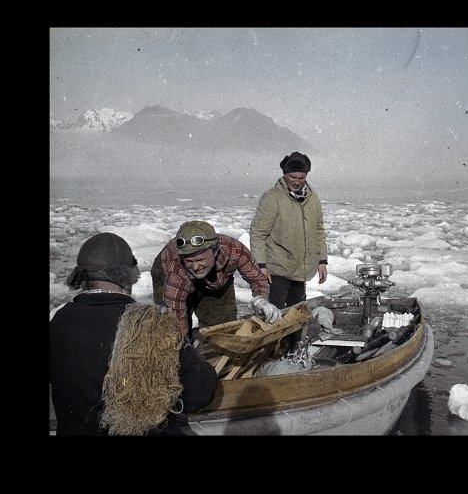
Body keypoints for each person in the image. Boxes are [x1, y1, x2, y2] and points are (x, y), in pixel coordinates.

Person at [50, 232, 218, 435]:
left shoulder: (59, 322)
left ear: (82, 278)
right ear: (129, 277)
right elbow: (202, 391)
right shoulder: (152, 325)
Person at [152, 220, 281, 339]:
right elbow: (176, 318)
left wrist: (261, 299)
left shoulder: (234, 250)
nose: (195, 267)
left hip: (217, 279)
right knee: (171, 331)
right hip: (170, 276)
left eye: (200, 260)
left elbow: (256, 277)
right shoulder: (176, 271)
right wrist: (182, 346)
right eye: (189, 261)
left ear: (215, 252)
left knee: (223, 330)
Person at [249, 151, 328, 310]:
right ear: (285, 175)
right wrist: (261, 266)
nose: (297, 182)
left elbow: (318, 230)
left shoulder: (312, 197)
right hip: (276, 270)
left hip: (300, 269)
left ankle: (296, 336)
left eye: (301, 178)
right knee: (274, 314)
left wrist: (322, 261)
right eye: (293, 177)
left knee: (296, 314)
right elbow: (258, 233)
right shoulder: (272, 198)